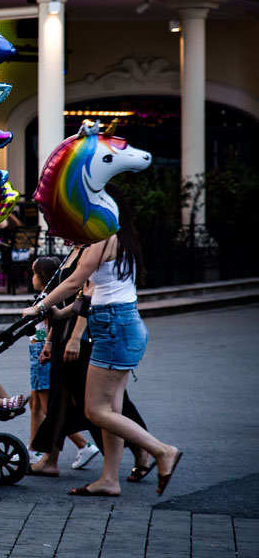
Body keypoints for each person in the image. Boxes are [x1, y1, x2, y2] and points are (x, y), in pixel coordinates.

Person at [23, 184, 182, 496]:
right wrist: (60, 313)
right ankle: (110, 479)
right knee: (112, 408)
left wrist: (40, 306)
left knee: (96, 410)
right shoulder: (122, 237)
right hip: (122, 322)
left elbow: (76, 280)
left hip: (112, 327)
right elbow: (97, 292)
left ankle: (162, 451)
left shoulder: (102, 235)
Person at [26, 256, 99, 469]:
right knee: (38, 404)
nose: (31, 278)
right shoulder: (48, 296)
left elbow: (53, 324)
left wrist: (48, 343)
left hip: (40, 350)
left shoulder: (50, 298)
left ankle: (79, 445)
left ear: (43, 277)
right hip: (39, 348)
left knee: (46, 404)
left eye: (34, 273)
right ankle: (38, 450)